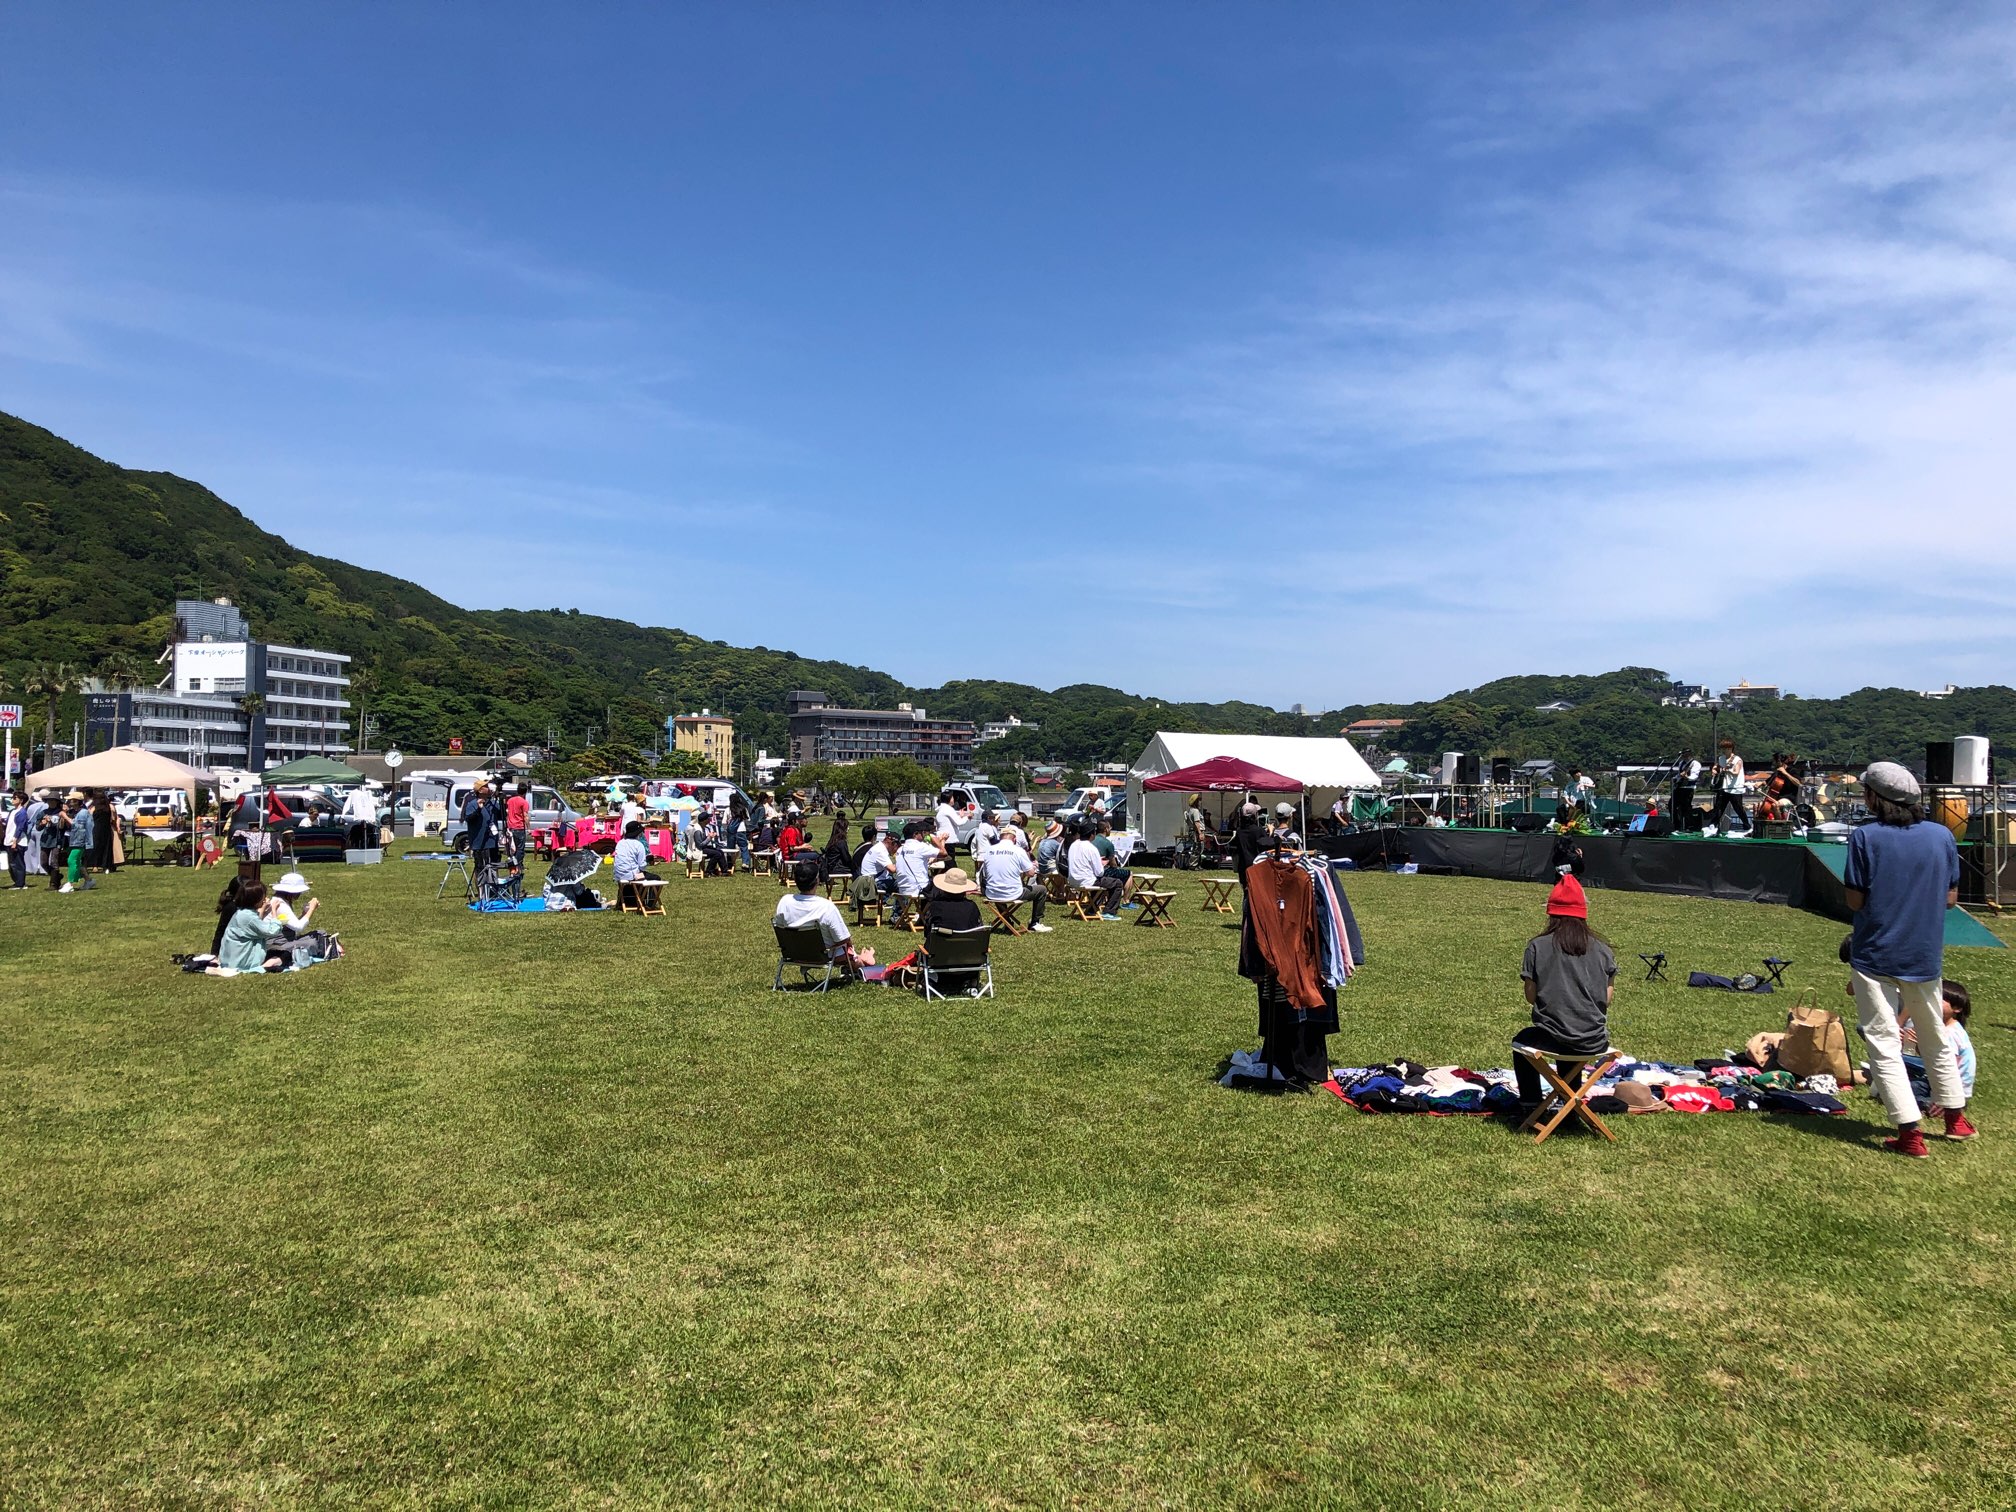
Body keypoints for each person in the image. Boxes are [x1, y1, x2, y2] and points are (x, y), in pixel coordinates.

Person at [1843, 761, 1974, 1155]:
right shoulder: (1941, 836)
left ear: (1875, 798)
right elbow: (1950, 898)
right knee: (1933, 1035)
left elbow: (1855, 900)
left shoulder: (1864, 837)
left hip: (1875, 953)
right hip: (1923, 954)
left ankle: (1909, 1134)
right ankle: (1956, 1119)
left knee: (1883, 1043)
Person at [1513, 874, 1615, 1106]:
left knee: (1525, 1039)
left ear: (1551, 914)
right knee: (1569, 1033)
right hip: (1595, 1040)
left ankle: (1531, 1103)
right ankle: (1569, 1102)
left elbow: (1531, 996)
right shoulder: (1603, 950)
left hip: (1556, 1039)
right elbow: (1606, 999)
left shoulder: (1538, 946)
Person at [775, 858, 869, 974]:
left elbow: (780, 929)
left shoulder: (785, 901)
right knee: (853, 954)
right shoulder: (826, 907)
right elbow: (843, 939)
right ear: (817, 880)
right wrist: (852, 951)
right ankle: (863, 963)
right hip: (823, 955)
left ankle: (862, 960)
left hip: (794, 953)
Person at [1903, 979, 1976, 1114]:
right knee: (1905, 1083)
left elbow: (1948, 1066)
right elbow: (1931, 1060)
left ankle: (1931, 1104)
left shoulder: (1950, 1034)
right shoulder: (1944, 1029)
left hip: (1952, 1089)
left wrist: (1946, 1097)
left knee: (1905, 1092)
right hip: (1938, 1081)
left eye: (1939, 1000)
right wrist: (1920, 1045)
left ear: (1957, 1008)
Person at [977, 829, 1053, 932]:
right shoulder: (1018, 850)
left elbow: (986, 872)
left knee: (998, 887)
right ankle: (1035, 923)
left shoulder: (989, 850)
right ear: (1014, 839)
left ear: (1000, 837)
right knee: (1042, 889)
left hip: (992, 893)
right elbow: (1030, 873)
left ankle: (1007, 922)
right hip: (1013, 893)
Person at [212, 882, 288, 974]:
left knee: (276, 952)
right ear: (256, 899)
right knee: (285, 955)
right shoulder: (249, 917)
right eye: (263, 897)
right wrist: (274, 911)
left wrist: (262, 909)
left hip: (230, 960)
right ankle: (265, 967)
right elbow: (272, 931)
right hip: (241, 962)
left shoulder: (241, 912)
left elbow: (256, 927)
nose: (265, 899)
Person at [1067, 823, 1124, 919]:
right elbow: (1099, 872)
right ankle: (1109, 912)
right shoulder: (1091, 848)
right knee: (1117, 883)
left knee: (1099, 881)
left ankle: (1092, 909)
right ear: (1092, 835)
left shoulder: (1073, 845)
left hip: (1072, 880)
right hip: (1086, 881)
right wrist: (1101, 863)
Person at [1703, 739, 1748, 836]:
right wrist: (1714, 770)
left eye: (1727, 748)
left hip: (1735, 788)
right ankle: (1713, 826)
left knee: (1738, 808)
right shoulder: (1721, 758)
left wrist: (1727, 771)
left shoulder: (1737, 759)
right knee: (1719, 807)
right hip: (1724, 787)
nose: (1725, 750)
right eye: (1723, 748)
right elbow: (1717, 767)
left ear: (1731, 748)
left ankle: (1747, 826)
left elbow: (1736, 772)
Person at [894, 819, 942, 909]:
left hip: (902, 889)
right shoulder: (920, 846)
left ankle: (920, 913)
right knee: (942, 886)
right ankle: (927, 914)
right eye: (921, 833)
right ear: (915, 834)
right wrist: (938, 840)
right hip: (918, 889)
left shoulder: (900, 850)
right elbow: (944, 853)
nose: (924, 835)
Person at [61, 792, 94, 893]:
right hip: (74, 840)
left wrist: (65, 816)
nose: (69, 802)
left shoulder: (83, 813)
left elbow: (76, 825)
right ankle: (88, 880)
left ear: (77, 801)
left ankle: (70, 883)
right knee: (78, 862)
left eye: (71, 800)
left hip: (80, 841)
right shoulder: (76, 812)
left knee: (72, 860)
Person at [613, 819, 657, 888]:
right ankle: (647, 895)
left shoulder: (620, 843)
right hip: (632, 876)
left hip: (618, 875)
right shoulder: (638, 845)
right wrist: (648, 860)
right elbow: (642, 866)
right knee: (656, 878)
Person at [38, 797, 71, 890]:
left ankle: (53, 884)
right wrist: (42, 823)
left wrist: (63, 817)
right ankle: (57, 876)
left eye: (53, 800)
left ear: (57, 802)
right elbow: (38, 827)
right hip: (45, 840)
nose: (51, 802)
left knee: (54, 862)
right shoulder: (43, 812)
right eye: (49, 800)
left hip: (57, 840)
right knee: (43, 862)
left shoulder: (61, 813)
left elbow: (65, 827)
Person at [4, 791, 34, 889]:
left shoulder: (22, 813)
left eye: (15, 798)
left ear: (21, 800)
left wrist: (15, 841)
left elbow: (20, 828)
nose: (12, 800)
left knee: (17, 863)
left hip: (18, 841)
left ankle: (20, 883)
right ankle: (17, 882)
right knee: (11, 864)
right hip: (9, 839)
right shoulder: (13, 811)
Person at [1671, 751, 1701, 832]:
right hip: (1679, 787)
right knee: (1672, 804)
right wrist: (1676, 778)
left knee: (1686, 807)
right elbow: (1679, 774)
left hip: (1688, 787)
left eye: (1685, 755)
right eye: (1683, 755)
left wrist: (1687, 777)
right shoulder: (1681, 763)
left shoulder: (1695, 763)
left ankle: (1689, 826)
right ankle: (1676, 825)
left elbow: (1694, 776)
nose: (1684, 757)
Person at [503, 785, 530, 865]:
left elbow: (507, 812)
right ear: (525, 792)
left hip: (510, 827)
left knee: (512, 847)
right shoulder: (524, 802)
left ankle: (512, 863)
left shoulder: (510, 800)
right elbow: (525, 816)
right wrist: (528, 828)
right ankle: (518, 864)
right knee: (520, 848)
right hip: (519, 827)